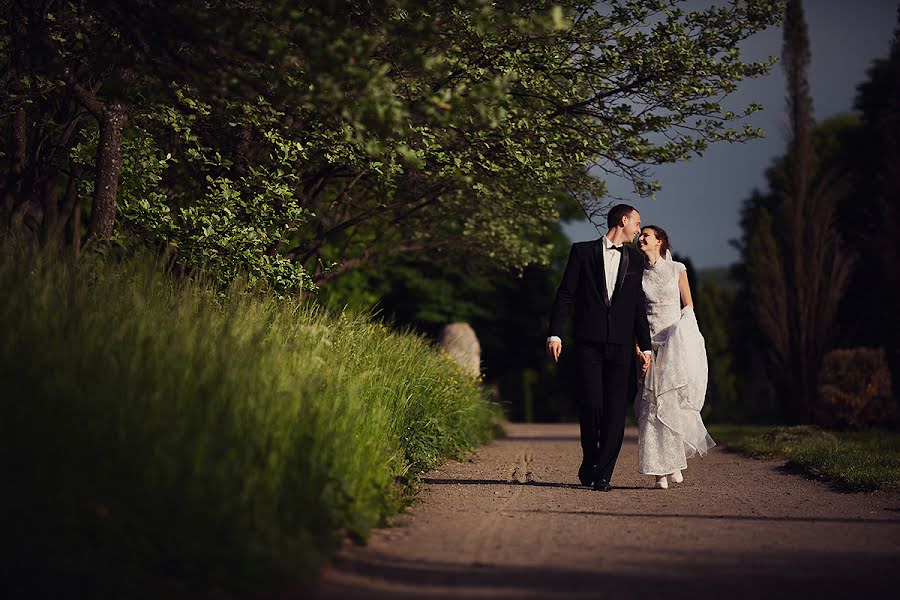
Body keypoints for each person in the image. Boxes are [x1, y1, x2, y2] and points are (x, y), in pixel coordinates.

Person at [547, 204, 652, 492]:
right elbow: (566, 294)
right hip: (588, 343)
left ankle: (604, 474)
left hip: (621, 346)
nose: (639, 230)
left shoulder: (635, 259)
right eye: (637, 223)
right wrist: (555, 334)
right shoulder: (581, 251)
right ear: (623, 220)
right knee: (591, 404)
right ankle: (590, 459)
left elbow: (638, 308)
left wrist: (645, 347)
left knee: (616, 410)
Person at [635, 225, 715, 489]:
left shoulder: (677, 269)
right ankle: (660, 471)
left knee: (673, 405)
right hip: (649, 347)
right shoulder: (636, 273)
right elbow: (633, 314)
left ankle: (676, 461)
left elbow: (688, 307)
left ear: (659, 241)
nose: (641, 237)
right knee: (651, 407)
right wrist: (638, 346)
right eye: (640, 234)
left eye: (646, 235)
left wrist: (683, 336)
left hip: (674, 343)